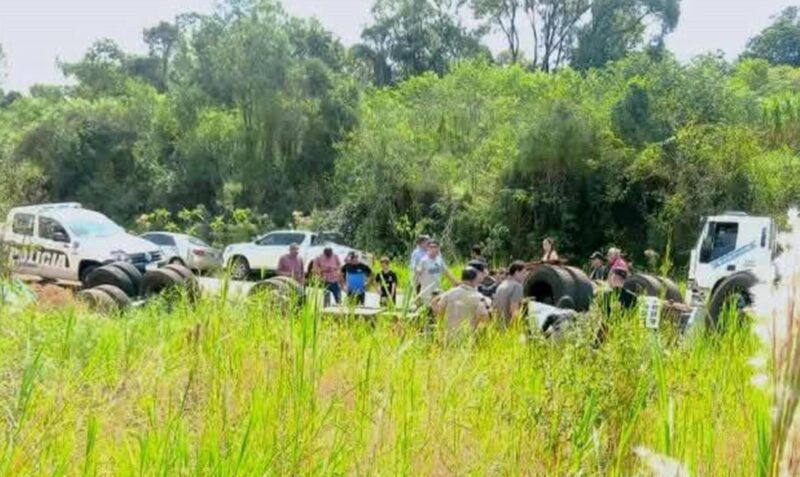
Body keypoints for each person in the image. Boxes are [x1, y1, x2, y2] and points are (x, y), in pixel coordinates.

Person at [431, 267, 490, 332]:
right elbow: (484, 319)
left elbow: (434, 303)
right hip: (468, 335)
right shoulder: (480, 298)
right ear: (474, 280)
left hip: (448, 334)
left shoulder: (449, 293)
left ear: (462, 279)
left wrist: (441, 324)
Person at [414, 240, 458, 304]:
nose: (433, 249)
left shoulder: (439, 260)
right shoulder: (423, 261)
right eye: (431, 247)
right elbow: (417, 275)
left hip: (437, 292)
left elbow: (447, 273)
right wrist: (416, 293)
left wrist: (457, 283)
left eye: (435, 247)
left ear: (438, 248)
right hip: (426, 294)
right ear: (427, 249)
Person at [493, 261, 527, 327]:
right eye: (523, 273)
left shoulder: (501, 286)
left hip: (498, 327)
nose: (525, 275)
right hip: (509, 328)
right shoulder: (517, 287)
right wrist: (515, 329)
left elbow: (495, 308)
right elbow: (514, 312)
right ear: (516, 272)